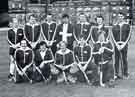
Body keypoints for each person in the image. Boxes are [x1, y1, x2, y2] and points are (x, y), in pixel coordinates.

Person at [91, 15, 114, 87]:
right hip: (98, 59)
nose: (99, 21)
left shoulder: (107, 41)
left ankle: (111, 80)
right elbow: (93, 53)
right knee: (96, 67)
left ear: (102, 20)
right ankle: (96, 80)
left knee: (110, 65)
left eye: (100, 19)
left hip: (106, 60)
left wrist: (104, 47)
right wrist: (98, 49)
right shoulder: (94, 28)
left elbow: (111, 51)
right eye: (97, 20)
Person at [112, 13, 131, 79]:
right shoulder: (114, 26)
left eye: (121, 16)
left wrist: (124, 44)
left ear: (123, 17)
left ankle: (125, 73)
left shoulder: (127, 25)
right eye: (119, 16)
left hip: (124, 45)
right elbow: (113, 36)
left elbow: (128, 36)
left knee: (124, 59)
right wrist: (116, 44)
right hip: (116, 45)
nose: (120, 17)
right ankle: (116, 73)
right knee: (116, 59)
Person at [7, 17, 24, 81]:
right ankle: (11, 74)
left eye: (17, 22)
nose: (16, 24)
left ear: (18, 23)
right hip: (12, 48)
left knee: (19, 61)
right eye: (14, 23)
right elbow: (8, 39)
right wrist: (13, 45)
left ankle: (19, 74)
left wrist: (18, 44)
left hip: (19, 48)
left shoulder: (21, 30)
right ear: (12, 23)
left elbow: (23, 39)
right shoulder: (9, 31)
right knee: (12, 61)